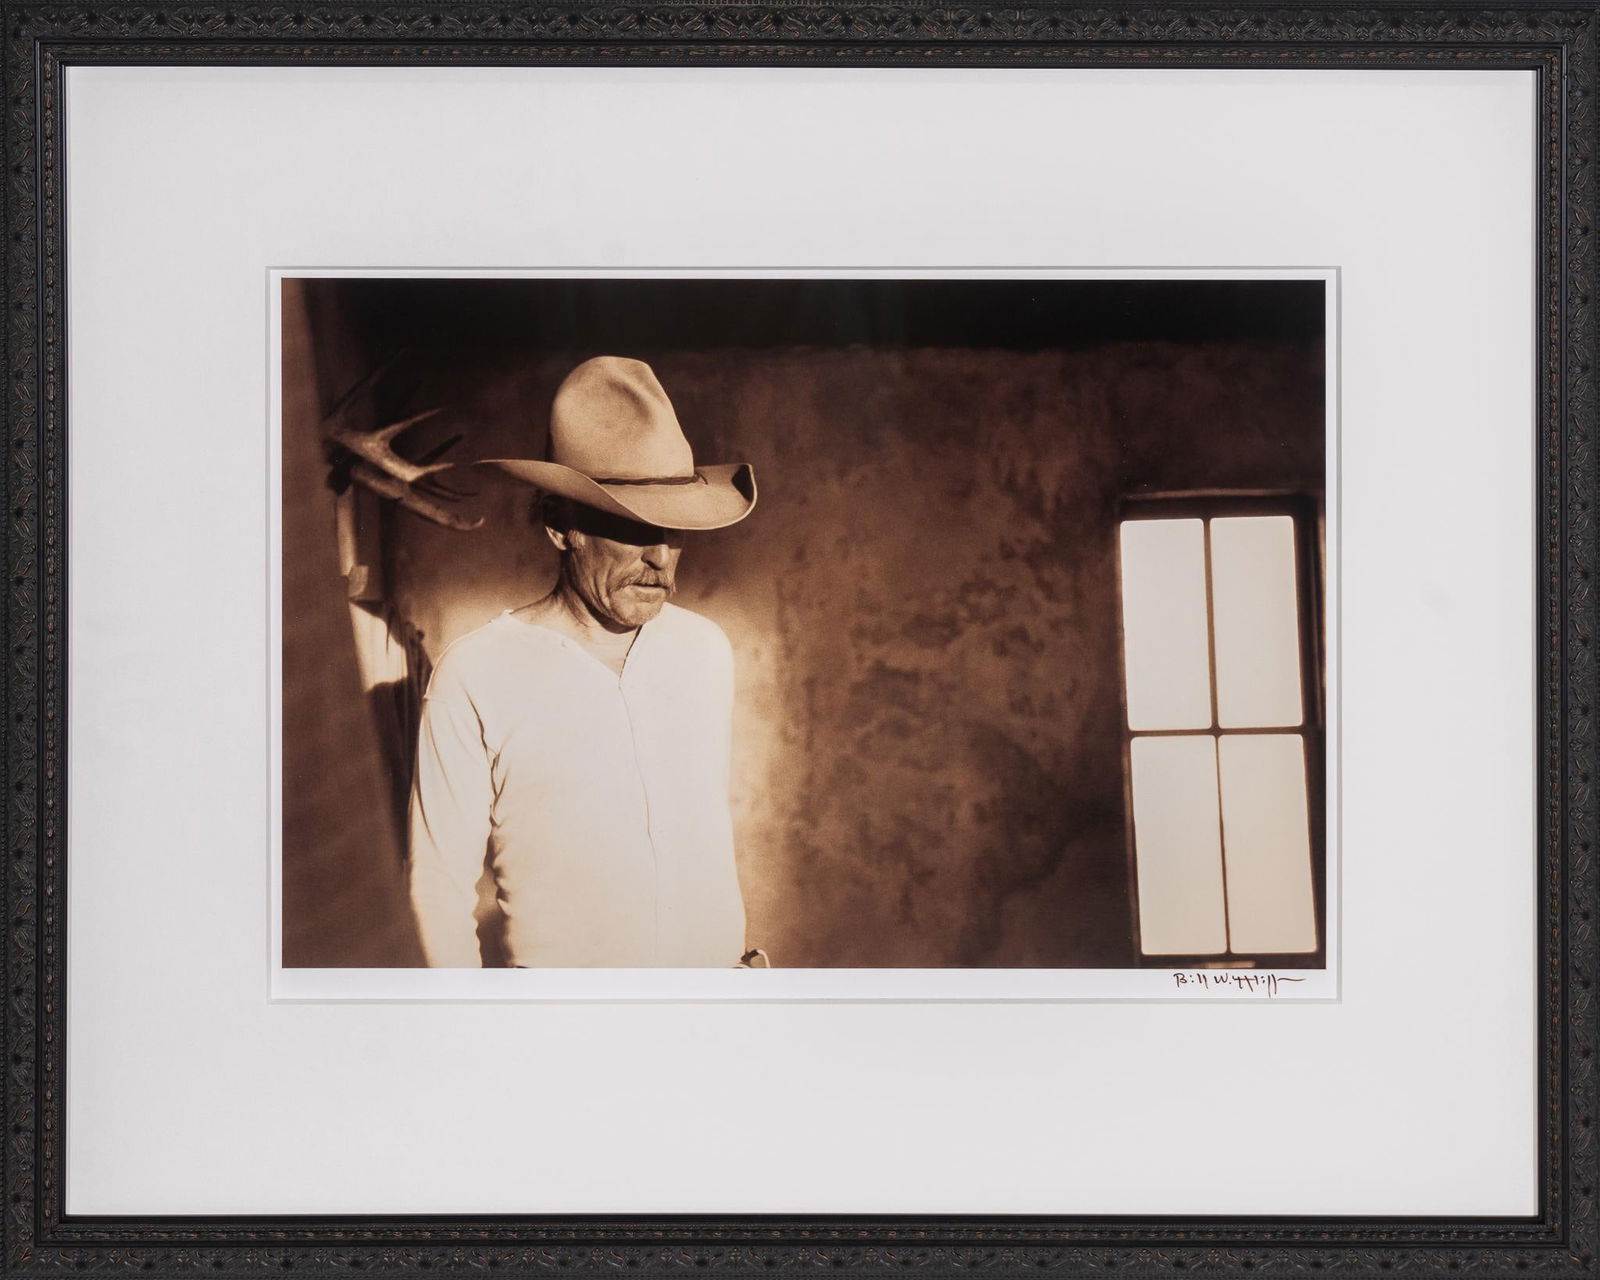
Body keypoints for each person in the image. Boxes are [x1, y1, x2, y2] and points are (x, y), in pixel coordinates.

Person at [405, 356, 758, 967]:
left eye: (675, 531)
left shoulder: (703, 650)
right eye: (630, 528)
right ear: (560, 526)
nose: (660, 559)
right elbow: (435, 888)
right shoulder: (476, 673)